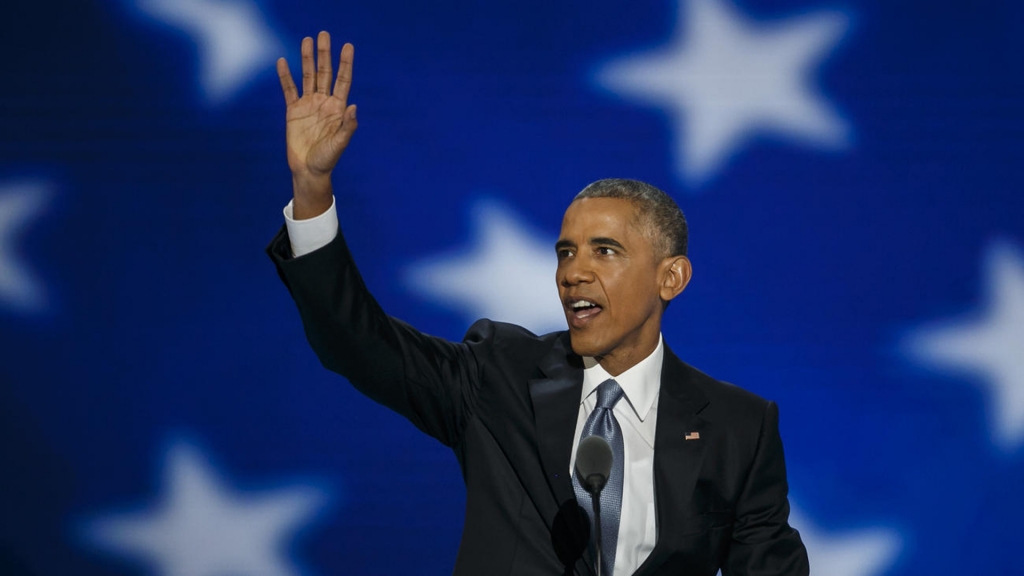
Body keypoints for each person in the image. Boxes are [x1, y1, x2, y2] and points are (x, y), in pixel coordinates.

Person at [266, 32, 809, 576]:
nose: (574, 272)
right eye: (566, 252)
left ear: (671, 277)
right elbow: (355, 342)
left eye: (606, 251)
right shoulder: (497, 375)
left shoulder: (737, 427)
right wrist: (312, 188)